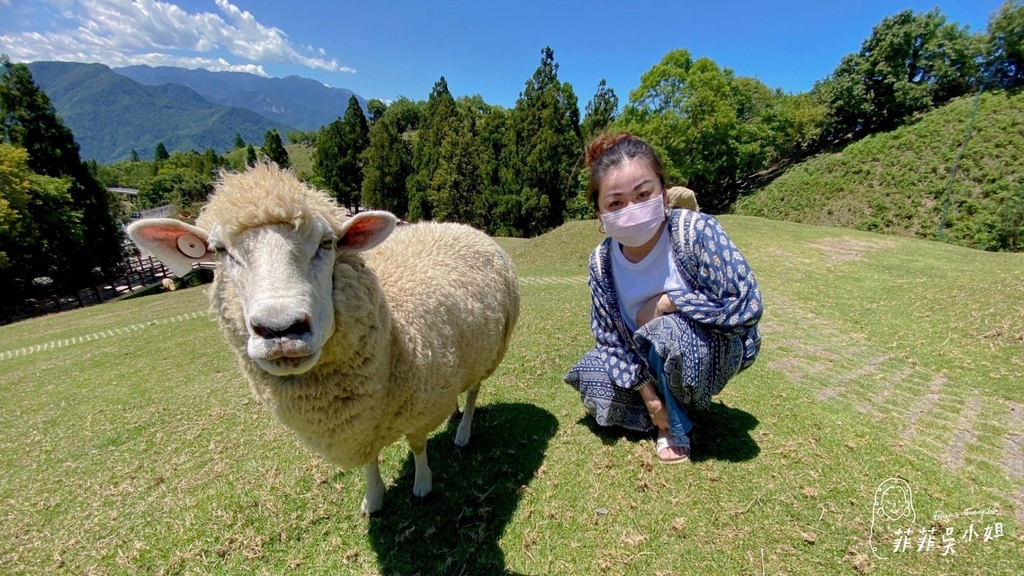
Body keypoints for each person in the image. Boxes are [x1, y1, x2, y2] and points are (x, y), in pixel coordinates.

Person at [565, 133, 763, 464]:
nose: (632, 210)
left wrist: (668, 303)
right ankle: (663, 409)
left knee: (664, 331)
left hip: (712, 347)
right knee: (589, 372)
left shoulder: (695, 232)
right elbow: (610, 340)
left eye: (643, 194)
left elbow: (745, 305)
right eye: (615, 203)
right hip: (648, 364)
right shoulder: (600, 262)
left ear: (663, 193)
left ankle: (672, 428)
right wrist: (649, 397)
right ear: (599, 214)